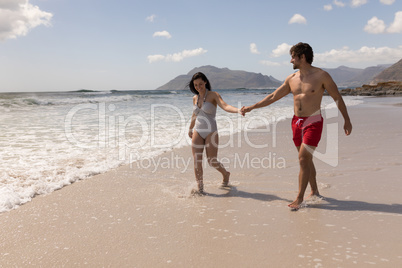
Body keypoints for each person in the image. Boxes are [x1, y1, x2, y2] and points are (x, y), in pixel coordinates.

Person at [241, 42, 352, 210]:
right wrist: (252, 107)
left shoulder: (322, 76)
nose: (291, 60)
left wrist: (347, 119)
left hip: (313, 121)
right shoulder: (291, 79)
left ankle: (299, 198)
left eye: (293, 57)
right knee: (306, 159)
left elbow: (337, 97)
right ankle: (314, 191)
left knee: (302, 158)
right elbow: (272, 96)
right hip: (296, 122)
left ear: (302, 57)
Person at [188, 72, 242, 194]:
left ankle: (225, 174)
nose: (198, 87)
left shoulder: (213, 95)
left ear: (205, 82)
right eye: (195, 85)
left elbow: (225, 106)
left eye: (200, 84)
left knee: (212, 161)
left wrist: (237, 110)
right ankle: (200, 189)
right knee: (197, 160)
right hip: (198, 130)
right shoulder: (195, 98)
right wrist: (190, 128)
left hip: (211, 131)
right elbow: (195, 114)